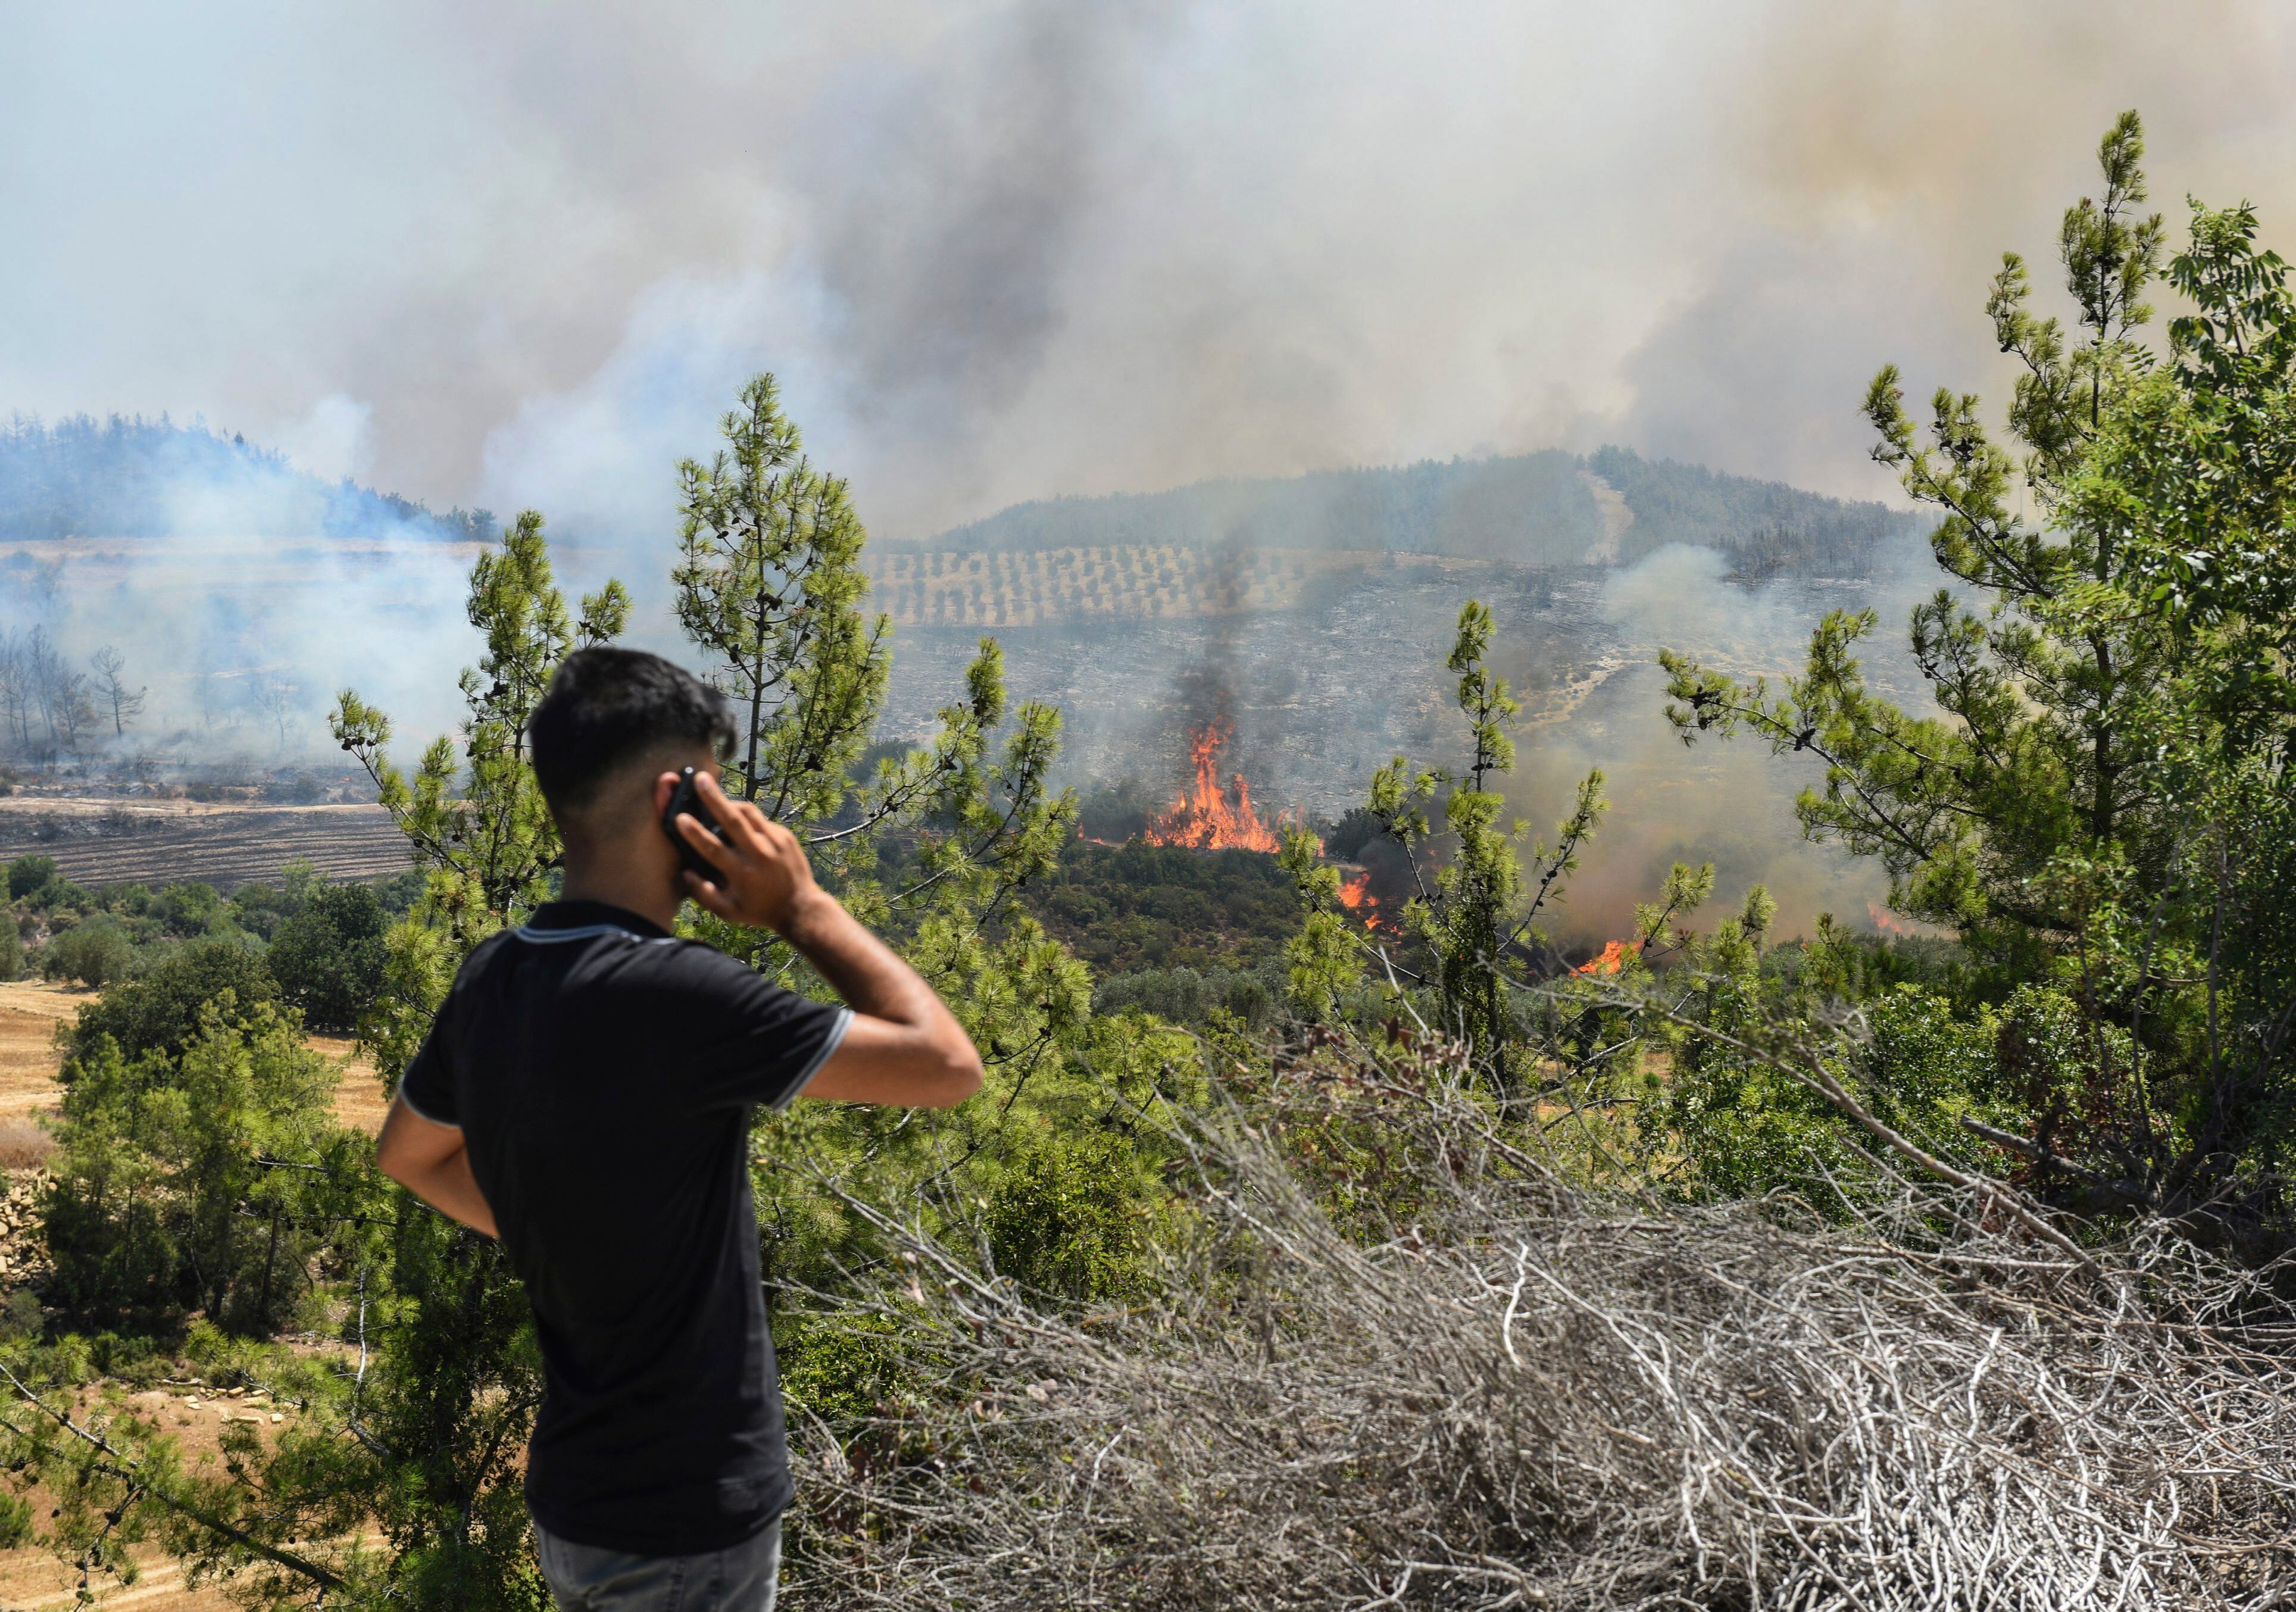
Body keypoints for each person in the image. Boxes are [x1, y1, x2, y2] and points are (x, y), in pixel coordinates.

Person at [375, 646, 983, 1612]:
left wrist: (557, 1232)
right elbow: (947, 1065)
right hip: (685, 1522)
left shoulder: (493, 978)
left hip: (578, 1504)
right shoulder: (683, 994)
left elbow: (407, 1155)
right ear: (679, 799)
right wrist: (804, 908)